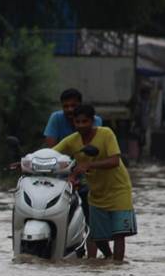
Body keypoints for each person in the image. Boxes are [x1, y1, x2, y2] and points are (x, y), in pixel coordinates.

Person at [53, 105, 136, 261]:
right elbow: (52, 153)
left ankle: (118, 265)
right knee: (95, 235)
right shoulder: (72, 141)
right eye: (77, 122)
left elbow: (115, 160)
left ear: (92, 121)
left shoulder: (106, 134)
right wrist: (25, 161)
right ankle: (93, 265)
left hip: (119, 190)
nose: (81, 125)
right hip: (97, 192)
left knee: (119, 234)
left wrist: (88, 165)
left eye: (85, 121)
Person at [44, 88, 104, 257]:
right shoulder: (56, 119)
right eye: (66, 106)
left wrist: (79, 171)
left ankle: (93, 246)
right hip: (62, 174)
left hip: (88, 175)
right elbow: (52, 151)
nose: (70, 110)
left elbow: (96, 151)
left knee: (90, 211)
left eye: (74, 106)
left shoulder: (97, 124)